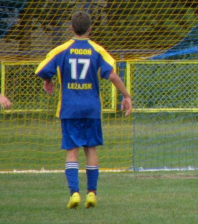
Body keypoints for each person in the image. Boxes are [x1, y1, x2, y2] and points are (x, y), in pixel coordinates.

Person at [35, 11, 132, 210]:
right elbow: (112, 75)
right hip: (91, 108)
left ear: (71, 28)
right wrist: (126, 96)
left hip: (69, 108)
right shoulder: (97, 50)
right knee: (91, 149)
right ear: (90, 29)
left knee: (72, 151)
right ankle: (92, 193)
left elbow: (42, 69)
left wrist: (48, 79)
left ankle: (75, 193)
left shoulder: (62, 49)